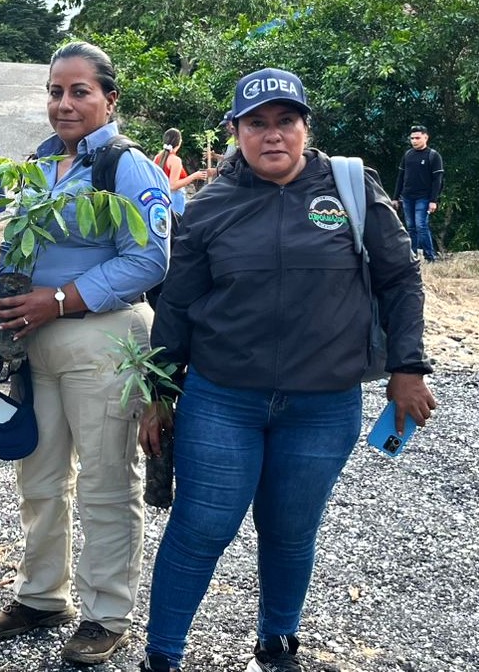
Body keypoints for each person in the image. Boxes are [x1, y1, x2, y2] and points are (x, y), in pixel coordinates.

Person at [138, 68, 436, 672]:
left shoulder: (351, 188)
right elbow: (176, 304)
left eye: (285, 121)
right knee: (202, 527)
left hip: (323, 405)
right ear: (236, 131)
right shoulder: (209, 205)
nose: (272, 135)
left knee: (291, 530)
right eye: (257, 124)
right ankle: (162, 655)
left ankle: (277, 643)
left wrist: (408, 367)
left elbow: (400, 278)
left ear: (305, 126)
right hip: (223, 398)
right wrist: (159, 390)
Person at [0, 41, 170, 666]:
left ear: (109, 99)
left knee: (107, 482)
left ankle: (106, 611)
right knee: (39, 477)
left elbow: (149, 258)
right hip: (36, 345)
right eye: (56, 91)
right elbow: (18, 249)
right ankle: (41, 595)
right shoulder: (40, 164)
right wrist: (6, 312)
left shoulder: (127, 167)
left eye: (80, 91)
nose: (64, 103)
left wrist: (57, 300)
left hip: (104, 339)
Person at [393, 124, 444, 262]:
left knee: (421, 226)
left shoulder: (433, 156)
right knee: (410, 227)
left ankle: (430, 256)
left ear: (425, 137)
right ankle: (412, 256)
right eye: (412, 138)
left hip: (424, 197)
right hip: (408, 196)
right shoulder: (408, 155)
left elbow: (437, 180)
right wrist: (395, 198)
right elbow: (401, 177)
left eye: (417, 138)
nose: (414, 141)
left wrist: (434, 200)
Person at [153, 128, 210, 214]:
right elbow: (173, 185)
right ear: (179, 142)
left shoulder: (158, 157)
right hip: (174, 198)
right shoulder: (175, 160)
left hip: (160, 196)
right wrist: (194, 176)